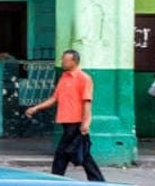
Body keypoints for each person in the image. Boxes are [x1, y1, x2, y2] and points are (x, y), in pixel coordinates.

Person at [24, 50, 104, 182]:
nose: (62, 62)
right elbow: (55, 98)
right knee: (81, 153)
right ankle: (97, 180)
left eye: (65, 60)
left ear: (74, 62)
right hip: (66, 121)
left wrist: (85, 123)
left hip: (76, 122)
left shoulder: (84, 78)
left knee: (62, 153)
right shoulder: (64, 77)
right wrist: (36, 108)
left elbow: (87, 102)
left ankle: (55, 179)